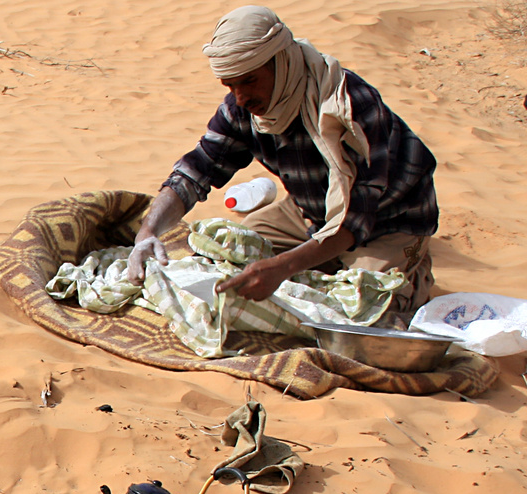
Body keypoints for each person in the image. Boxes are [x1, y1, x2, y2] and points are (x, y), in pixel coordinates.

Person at [126, 5, 438, 320]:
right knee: (230, 258)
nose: (241, 97)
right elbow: (196, 172)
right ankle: (323, 262)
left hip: (389, 219)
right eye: (230, 86)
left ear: (282, 63)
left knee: (367, 312)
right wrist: (148, 231)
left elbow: (354, 221)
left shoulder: (348, 105)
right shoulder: (242, 109)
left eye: (249, 81)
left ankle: (415, 269)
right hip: (310, 210)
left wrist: (283, 266)